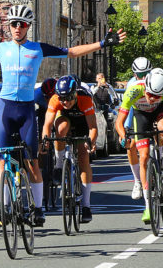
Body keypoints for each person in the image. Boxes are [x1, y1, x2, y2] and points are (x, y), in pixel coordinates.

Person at [0, 4, 124, 227]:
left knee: (32, 162)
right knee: (1, 159)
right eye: (14, 24)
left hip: (26, 110)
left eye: (22, 24)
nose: (18, 28)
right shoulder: (1, 48)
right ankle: (2, 204)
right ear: (9, 26)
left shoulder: (37, 48)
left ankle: (38, 209)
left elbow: (72, 51)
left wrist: (103, 43)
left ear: (28, 27)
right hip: (6, 109)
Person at [113, 68, 163, 223]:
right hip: (141, 115)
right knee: (143, 156)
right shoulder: (134, 90)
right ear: (145, 87)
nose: (152, 98)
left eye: (157, 96)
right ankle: (148, 206)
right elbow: (119, 122)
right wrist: (123, 136)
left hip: (160, 112)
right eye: (150, 94)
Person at [42, 75, 99, 223]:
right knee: (60, 129)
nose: (65, 101)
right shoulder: (56, 99)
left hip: (83, 122)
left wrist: (90, 142)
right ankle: (59, 164)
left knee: (83, 158)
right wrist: (45, 141)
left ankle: (86, 205)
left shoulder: (85, 98)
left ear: (75, 93)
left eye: (68, 98)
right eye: (62, 99)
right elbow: (47, 125)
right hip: (65, 118)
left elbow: (93, 127)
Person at [120, 56, 154, 194]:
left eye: (146, 73)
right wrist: (126, 130)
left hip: (155, 112)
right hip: (137, 114)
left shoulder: (155, 80)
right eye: (140, 74)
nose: (143, 77)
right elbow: (128, 110)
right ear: (134, 74)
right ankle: (138, 181)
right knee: (131, 146)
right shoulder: (132, 85)